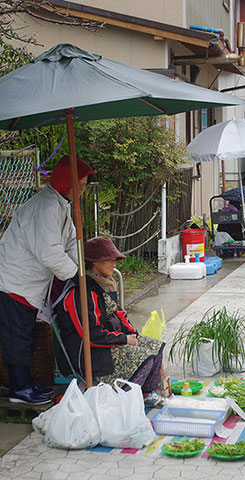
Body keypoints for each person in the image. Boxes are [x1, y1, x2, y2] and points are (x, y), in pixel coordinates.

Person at [0, 155, 94, 405]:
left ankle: (26, 382)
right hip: (15, 282)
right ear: (68, 182)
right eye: (82, 181)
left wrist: (86, 273)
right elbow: (50, 253)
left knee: (26, 336)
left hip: (28, 284)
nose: (84, 186)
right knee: (17, 337)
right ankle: (19, 389)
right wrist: (75, 275)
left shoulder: (61, 205)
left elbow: (70, 246)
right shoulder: (46, 207)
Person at [54, 236, 166, 408]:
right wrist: (124, 339)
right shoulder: (81, 292)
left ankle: (144, 394)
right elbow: (90, 335)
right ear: (94, 261)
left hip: (105, 344)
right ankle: (124, 400)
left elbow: (118, 313)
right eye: (110, 260)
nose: (114, 264)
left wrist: (131, 333)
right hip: (87, 354)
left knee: (157, 349)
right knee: (147, 358)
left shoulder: (99, 285)